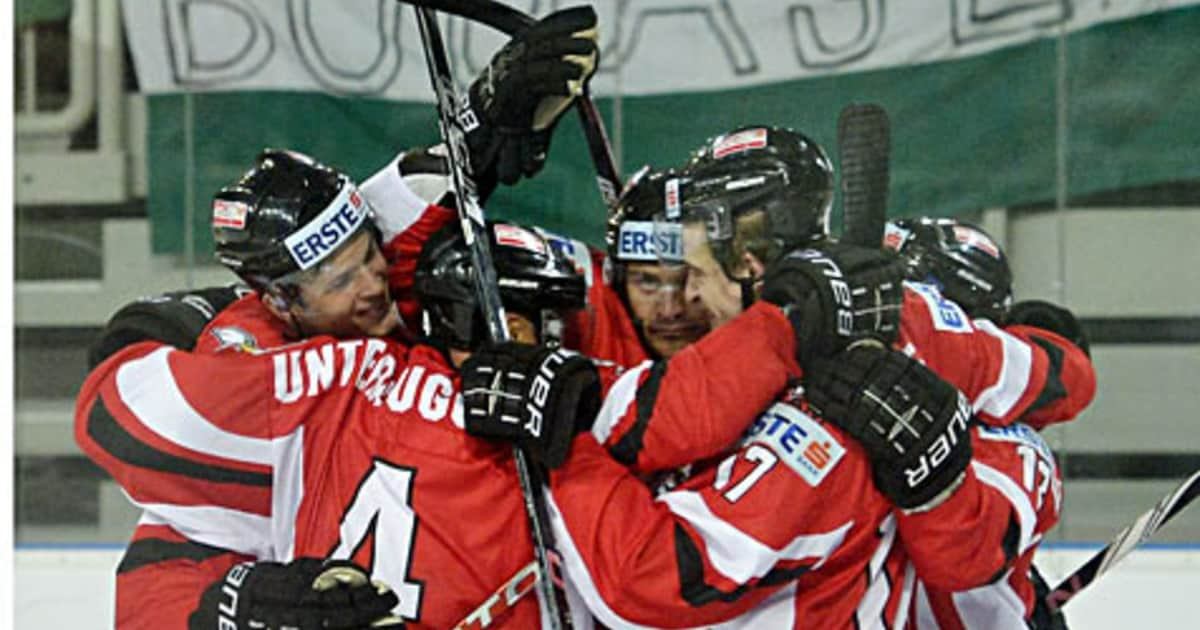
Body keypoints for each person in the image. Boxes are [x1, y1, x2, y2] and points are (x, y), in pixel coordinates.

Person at [460, 125, 1096, 628]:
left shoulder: (831, 405)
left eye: (691, 268)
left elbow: (658, 577)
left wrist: (562, 438)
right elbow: (667, 407)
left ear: (749, 259)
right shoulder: (844, 330)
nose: (678, 298)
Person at [96, 8, 602, 628]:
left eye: (369, 255)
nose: (373, 287)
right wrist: (231, 605)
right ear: (280, 302)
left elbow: (397, 229)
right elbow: (159, 551)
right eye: (341, 280)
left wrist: (481, 127)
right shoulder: (256, 374)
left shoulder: (368, 301)